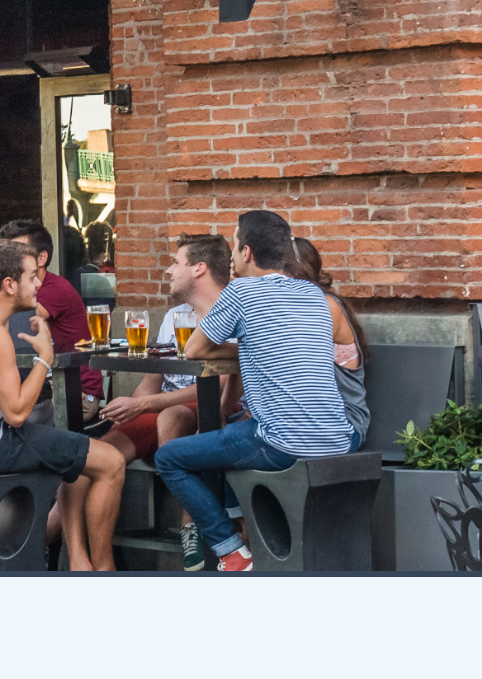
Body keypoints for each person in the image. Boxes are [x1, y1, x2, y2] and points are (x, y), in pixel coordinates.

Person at [158, 211, 356, 572]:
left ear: (246, 252)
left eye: (234, 247)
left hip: (281, 443)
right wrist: (252, 345)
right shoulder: (313, 294)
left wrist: (246, 344)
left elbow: (195, 349)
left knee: (170, 458)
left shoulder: (242, 291)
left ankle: (231, 551)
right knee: (228, 432)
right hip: (339, 439)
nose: (232, 259)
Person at [0, 239, 125, 571]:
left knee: (75, 452)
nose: (38, 284)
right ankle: (103, 570)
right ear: (9, 284)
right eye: (32, 277)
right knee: (111, 462)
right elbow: (16, 414)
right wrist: (45, 359)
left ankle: (78, 562)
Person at [92, 233, 229, 571]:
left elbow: (216, 390)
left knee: (171, 415)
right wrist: (125, 409)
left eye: (175, 263)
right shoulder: (174, 316)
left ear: (199, 269)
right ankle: (83, 559)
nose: (168, 271)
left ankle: (190, 524)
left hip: (209, 411)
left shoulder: (230, 312)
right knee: (92, 459)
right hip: (161, 408)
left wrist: (144, 405)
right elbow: (151, 382)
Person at [0, 220, 100, 414]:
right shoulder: (23, 288)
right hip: (50, 383)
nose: (9, 258)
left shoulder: (54, 289)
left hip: (76, 392)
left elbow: (19, 323)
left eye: (18, 251)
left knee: (16, 415)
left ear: (42, 258)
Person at [284, 236, 370, 443]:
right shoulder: (294, 308)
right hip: (301, 420)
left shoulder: (326, 306)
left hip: (342, 425)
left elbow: (293, 363)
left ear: (291, 273)